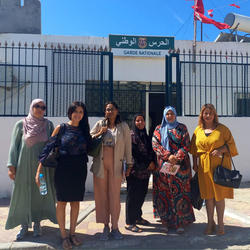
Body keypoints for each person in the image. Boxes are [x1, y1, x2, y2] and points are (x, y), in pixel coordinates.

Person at [36, 101, 91, 250]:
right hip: (63, 169)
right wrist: (39, 169)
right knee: (62, 202)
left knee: (75, 202)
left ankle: (72, 233)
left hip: (79, 169)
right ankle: (63, 236)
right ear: (70, 112)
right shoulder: (61, 128)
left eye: (81, 112)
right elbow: (48, 147)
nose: (78, 114)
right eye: (76, 111)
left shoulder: (84, 129)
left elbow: (90, 147)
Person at [6, 99, 57, 240]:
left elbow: (53, 145)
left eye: (43, 107)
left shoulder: (48, 125)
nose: (40, 109)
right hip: (23, 168)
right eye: (37, 106)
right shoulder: (20, 124)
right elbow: (13, 146)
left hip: (42, 169)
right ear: (31, 107)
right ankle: (23, 225)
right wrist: (11, 166)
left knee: (40, 194)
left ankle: (37, 223)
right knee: (22, 195)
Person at [190, 103, 238, 236]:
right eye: (205, 113)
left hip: (220, 168)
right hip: (203, 168)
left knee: (219, 196)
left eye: (210, 113)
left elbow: (232, 146)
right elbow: (193, 149)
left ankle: (221, 224)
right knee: (208, 196)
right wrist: (195, 164)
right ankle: (210, 223)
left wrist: (220, 150)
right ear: (202, 115)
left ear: (214, 115)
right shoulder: (198, 130)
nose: (208, 115)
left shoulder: (223, 129)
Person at [90, 101, 133, 240]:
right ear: (105, 112)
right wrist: (99, 133)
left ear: (117, 111)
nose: (110, 112)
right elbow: (89, 140)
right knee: (102, 197)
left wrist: (130, 164)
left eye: (112, 109)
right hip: (100, 165)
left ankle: (115, 227)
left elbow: (128, 146)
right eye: (107, 109)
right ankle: (105, 226)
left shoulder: (123, 126)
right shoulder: (99, 124)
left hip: (116, 165)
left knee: (114, 197)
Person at [152, 106, 195, 234]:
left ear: (175, 115)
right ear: (164, 115)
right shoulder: (158, 129)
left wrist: (177, 157)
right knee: (163, 193)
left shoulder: (182, 128)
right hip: (163, 167)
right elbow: (155, 144)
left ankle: (180, 222)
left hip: (180, 167)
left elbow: (186, 144)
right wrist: (168, 156)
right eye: (167, 114)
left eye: (171, 114)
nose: (169, 116)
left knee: (180, 194)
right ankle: (165, 222)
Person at [125, 114, 155, 233]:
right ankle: (129, 222)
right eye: (137, 121)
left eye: (142, 120)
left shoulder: (146, 136)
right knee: (132, 197)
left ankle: (137, 217)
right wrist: (149, 162)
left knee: (141, 195)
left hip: (145, 172)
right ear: (134, 122)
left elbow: (151, 150)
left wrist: (153, 162)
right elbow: (135, 152)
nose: (140, 123)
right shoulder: (131, 135)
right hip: (134, 171)